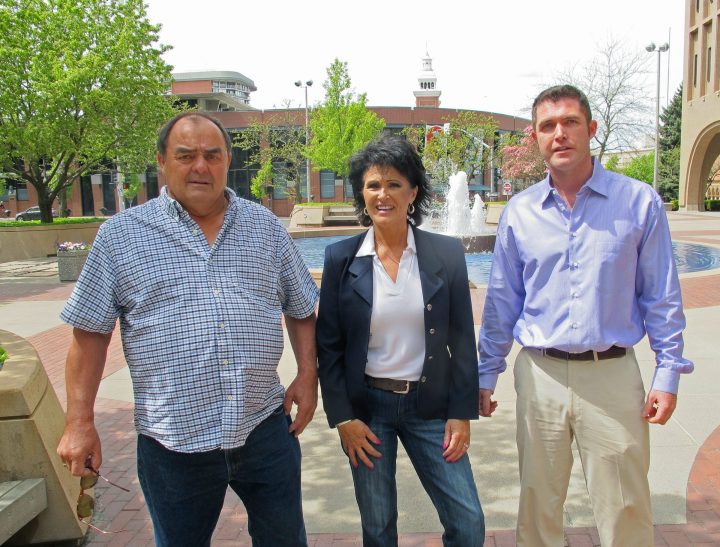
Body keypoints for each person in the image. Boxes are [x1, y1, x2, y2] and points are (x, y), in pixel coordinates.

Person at [56, 111, 319, 547]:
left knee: (285, 540)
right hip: (172, 442)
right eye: (186, 155)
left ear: (227, 161)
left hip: (263, 430)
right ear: (162, 161)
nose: (201, 166)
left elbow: (303, 308)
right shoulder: (120, 236)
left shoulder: (266, 229)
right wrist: (79, 422)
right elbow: (89, 335)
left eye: (212, 155)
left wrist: (308, 376)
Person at [478, 84, 694, 547]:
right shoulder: (519, 213)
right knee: (538, 503)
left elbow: (661, 296)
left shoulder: (639, 203)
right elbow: (502, 302)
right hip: (540, 376)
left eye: (571, 122)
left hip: (613, 375)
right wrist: (486, 373)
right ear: (535, 137)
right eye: (548, 126)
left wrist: (668, 372)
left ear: (591, 129)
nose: (560, 134)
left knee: (625, 506)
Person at [316, 135, 484, 547]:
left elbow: (462, 337)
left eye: (394, 184)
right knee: (377, 526)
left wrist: (461, 413)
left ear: (413, 192)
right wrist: (343, 419)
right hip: (367, 411)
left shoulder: (445, 253)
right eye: (373, 185)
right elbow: (330, 347)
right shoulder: (342, 258)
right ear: (362, 193)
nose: (383, 195)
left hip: (431, 407)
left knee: (468, 522)